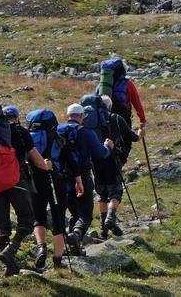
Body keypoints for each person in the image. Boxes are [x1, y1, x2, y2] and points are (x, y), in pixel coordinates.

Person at [0, 105, 49, 276]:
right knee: (27, 219)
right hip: (16, 178)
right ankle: (10, 251)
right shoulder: (21, 131)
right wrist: (46, 166)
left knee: (2, 226)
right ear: (15, 117)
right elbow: (37, 160)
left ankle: (9, 267)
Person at [25, 108, 77, 271]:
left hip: (35, 181)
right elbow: (71, 161)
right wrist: (78, 180)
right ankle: (57, 260)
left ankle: (41, 247)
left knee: (38, 217)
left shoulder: (29, 139)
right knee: (58, 218)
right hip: (56, 181)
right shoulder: (58, 139)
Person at [60, 103, 114, 255]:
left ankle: (70, 247)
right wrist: (108, 146)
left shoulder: (58, 130)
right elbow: (101, 153)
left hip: (62, 177)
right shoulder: (86, 132)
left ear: (67, 115)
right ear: (82, 116)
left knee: (74, 212)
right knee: (85, 215)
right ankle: (76, 236)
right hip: (82, 176)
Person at [88, 95, 131, 239]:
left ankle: (103, 230)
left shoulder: (90, 121)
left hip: (96, 160)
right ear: (110, 106)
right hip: (113, 159)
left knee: (102, 193)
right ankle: (111, 218)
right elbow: (131, 136)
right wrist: (139, 134)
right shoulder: (116, 118)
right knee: (115, 192)